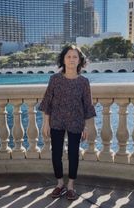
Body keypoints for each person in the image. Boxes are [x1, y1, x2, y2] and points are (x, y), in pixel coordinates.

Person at [38, 45, 96, 200]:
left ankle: (70, 186)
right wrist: (45, 123)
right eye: (68, 56)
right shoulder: (55, 79)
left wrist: (86, 126)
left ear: (80, 61)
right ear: (63, 59)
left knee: (73, 154)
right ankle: (59, 184)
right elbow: (47, 103)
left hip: (76, 121)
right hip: (56, 120)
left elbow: (87, 105)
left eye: (75, 57)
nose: (71, 60)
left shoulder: (84, 82)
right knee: (56, 154)